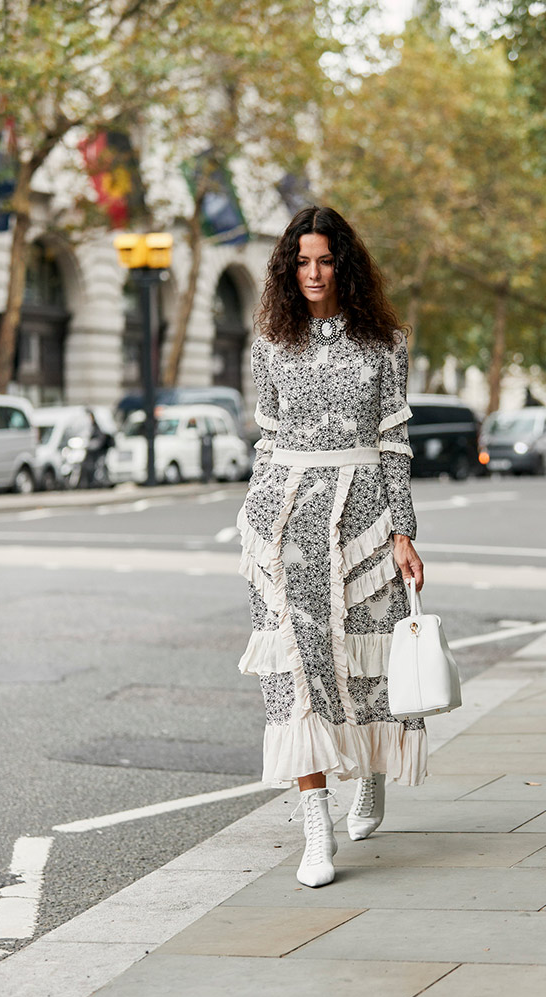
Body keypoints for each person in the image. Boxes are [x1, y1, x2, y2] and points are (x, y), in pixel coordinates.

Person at [237, 206, 425, 888]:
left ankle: (370, 773)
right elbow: (267, 438)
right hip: (282, 520)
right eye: (300, 262)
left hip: (363, 520)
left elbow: (393, 445)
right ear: (288, 269)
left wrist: (403, 534)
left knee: (366, 667)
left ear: (343, 266)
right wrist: (253, 522)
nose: (311, 274)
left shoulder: (385, 343)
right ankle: (314, 826)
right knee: (293, 670)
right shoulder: (269, 342)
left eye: (323, 261)